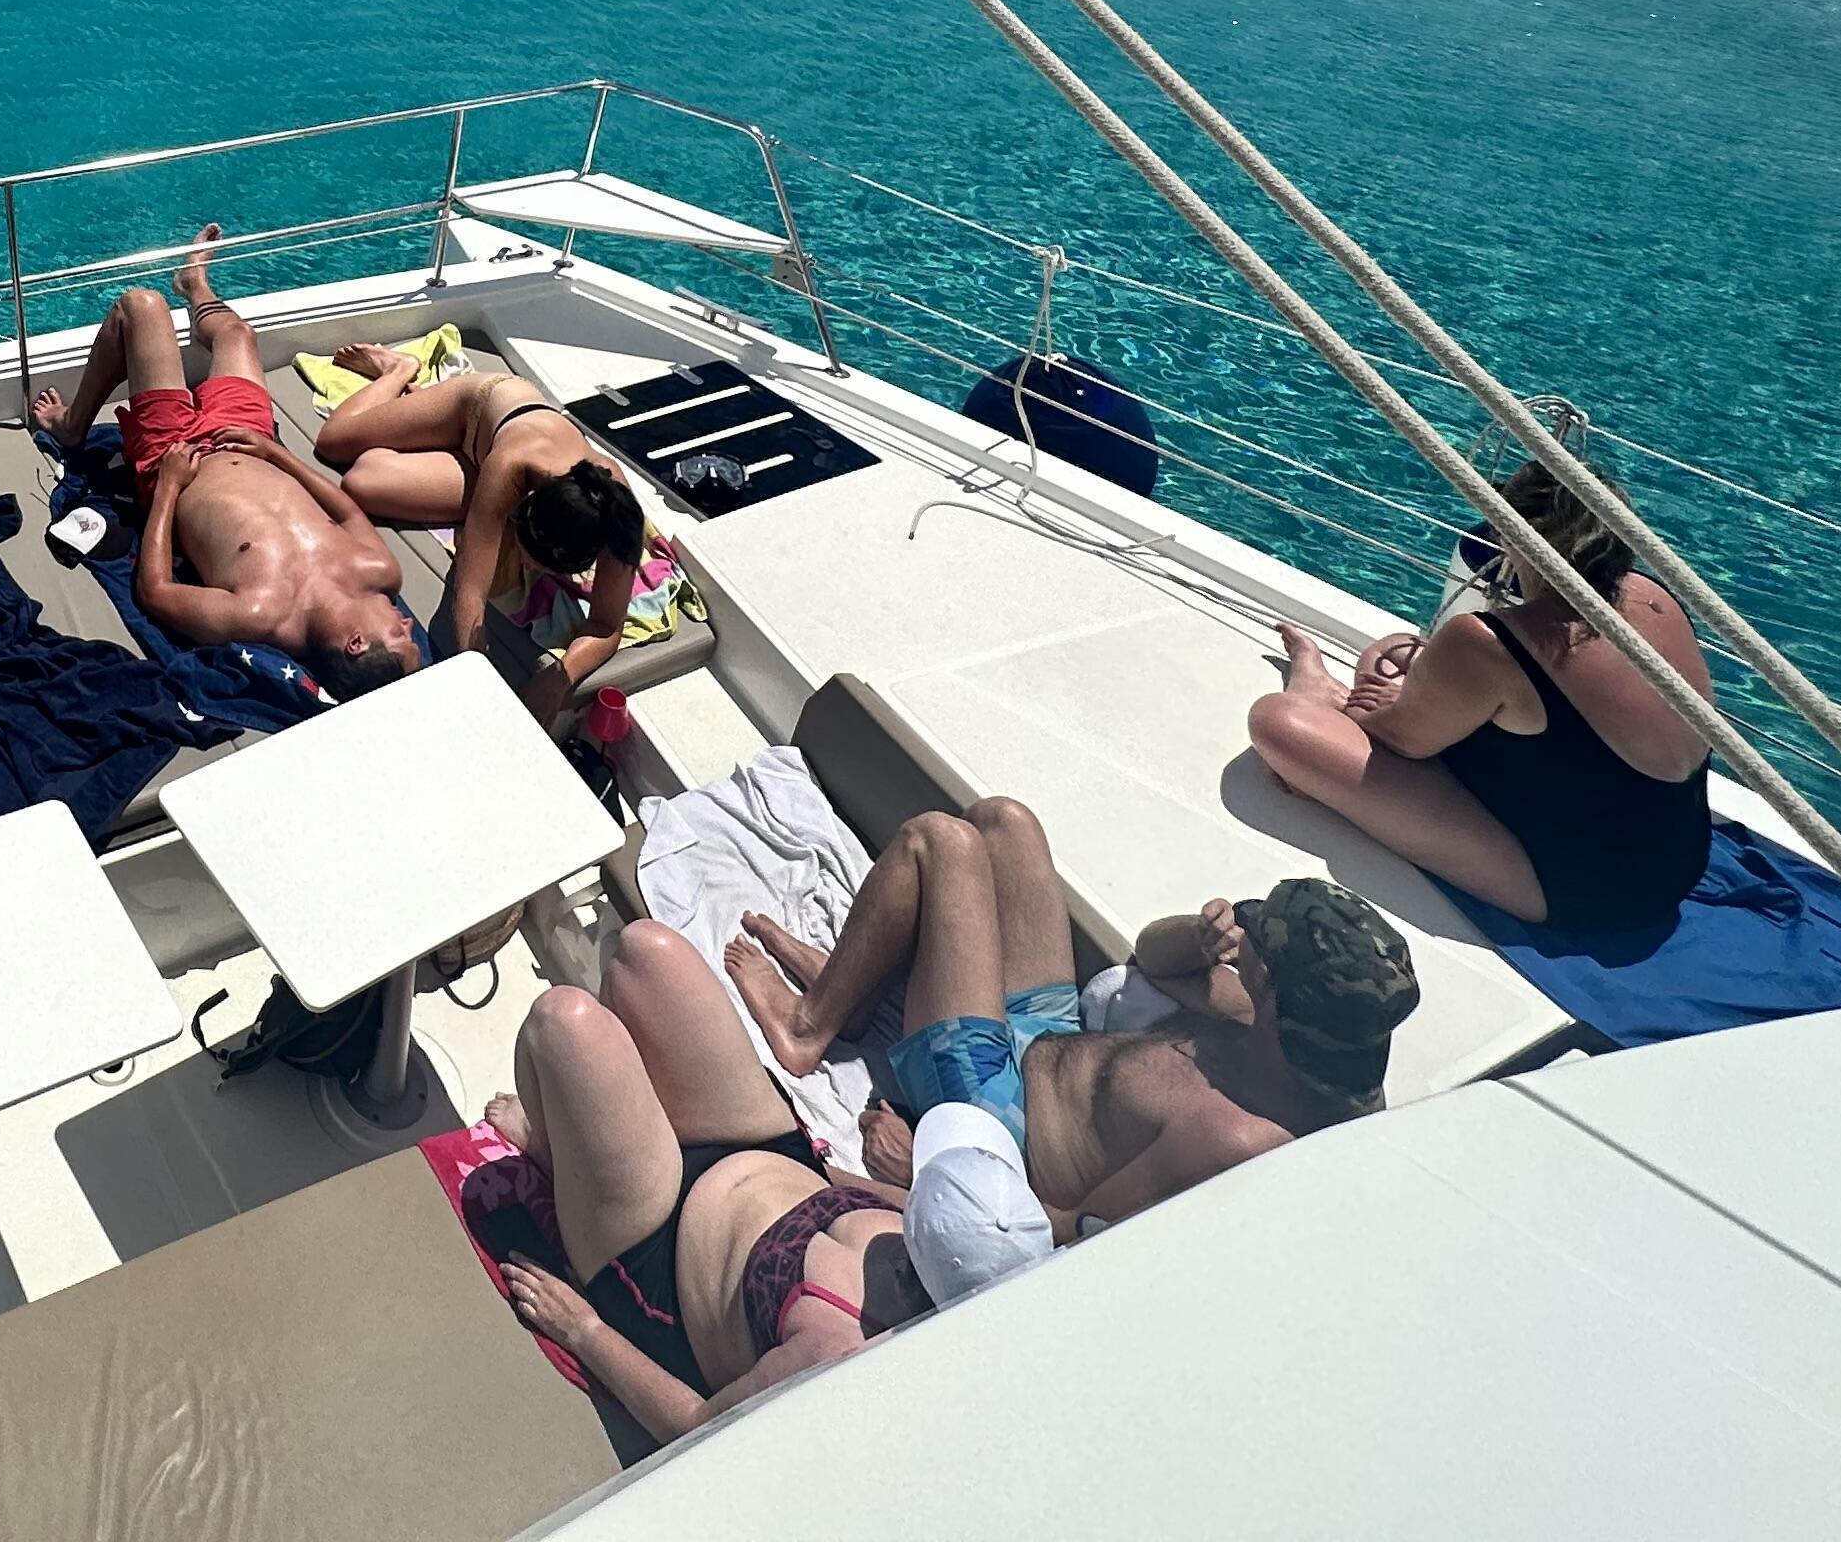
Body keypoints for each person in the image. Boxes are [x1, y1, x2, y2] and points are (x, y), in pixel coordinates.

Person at [726, 797, 1417, 1233]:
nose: (1248, 928)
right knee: (1005, 824)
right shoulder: (1281, 1033)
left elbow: (1065, 1238)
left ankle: (807, 1026)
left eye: (1259, 933)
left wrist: (924, 1173)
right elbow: (1154, 956)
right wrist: (1201, 938)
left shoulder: (1229, 1142)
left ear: (1276, 988)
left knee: (940, 842)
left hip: (997, 1110)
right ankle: (855, 991)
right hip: (1052, 1033)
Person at [481, 921, 929, 1446]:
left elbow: (698, 1426)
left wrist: (582, 1329)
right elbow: (854, 1191)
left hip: (660, 1257)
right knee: (645, 952)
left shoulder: (836, 1354)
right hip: (773, 1153)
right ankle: (607, 1134)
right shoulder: (964, 1232)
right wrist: (815, 1163)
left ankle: (556, 1157)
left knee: (562, 1022)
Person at [1246, 462, 1714, 938]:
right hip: (1676, 861)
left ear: (1511, 534)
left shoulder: (1488, 639)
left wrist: (1377, 708)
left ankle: (1319, 696)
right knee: (1392, 652)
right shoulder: (1654, 597)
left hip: (1583, 891)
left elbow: (1399, 739)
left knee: (1279, 724)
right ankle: (1350, 726)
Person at [29, 229, 424, 691]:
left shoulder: (259, 615)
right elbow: (347, 512)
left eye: (400, 635)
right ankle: (195, 285)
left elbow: (155, 592)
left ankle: (72, 425)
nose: (408, 622)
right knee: (238, 334)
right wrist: (276, 452)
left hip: (174, 455)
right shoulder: (381, 573)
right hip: (250, 439)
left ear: (355, 643)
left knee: (141, 307)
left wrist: (169, 485)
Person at [316, 343, 650, 724]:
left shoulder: (617, 520)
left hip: (492, 459)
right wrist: (474, 670)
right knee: (337, 445)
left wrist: (559, 679)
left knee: (367, 479)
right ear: (523, 508)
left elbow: (607, 625)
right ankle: (399, 370)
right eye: (529, 555)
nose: (528, 567)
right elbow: (470, 591)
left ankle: (425, 431)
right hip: (477, 411)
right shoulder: (512, 467)